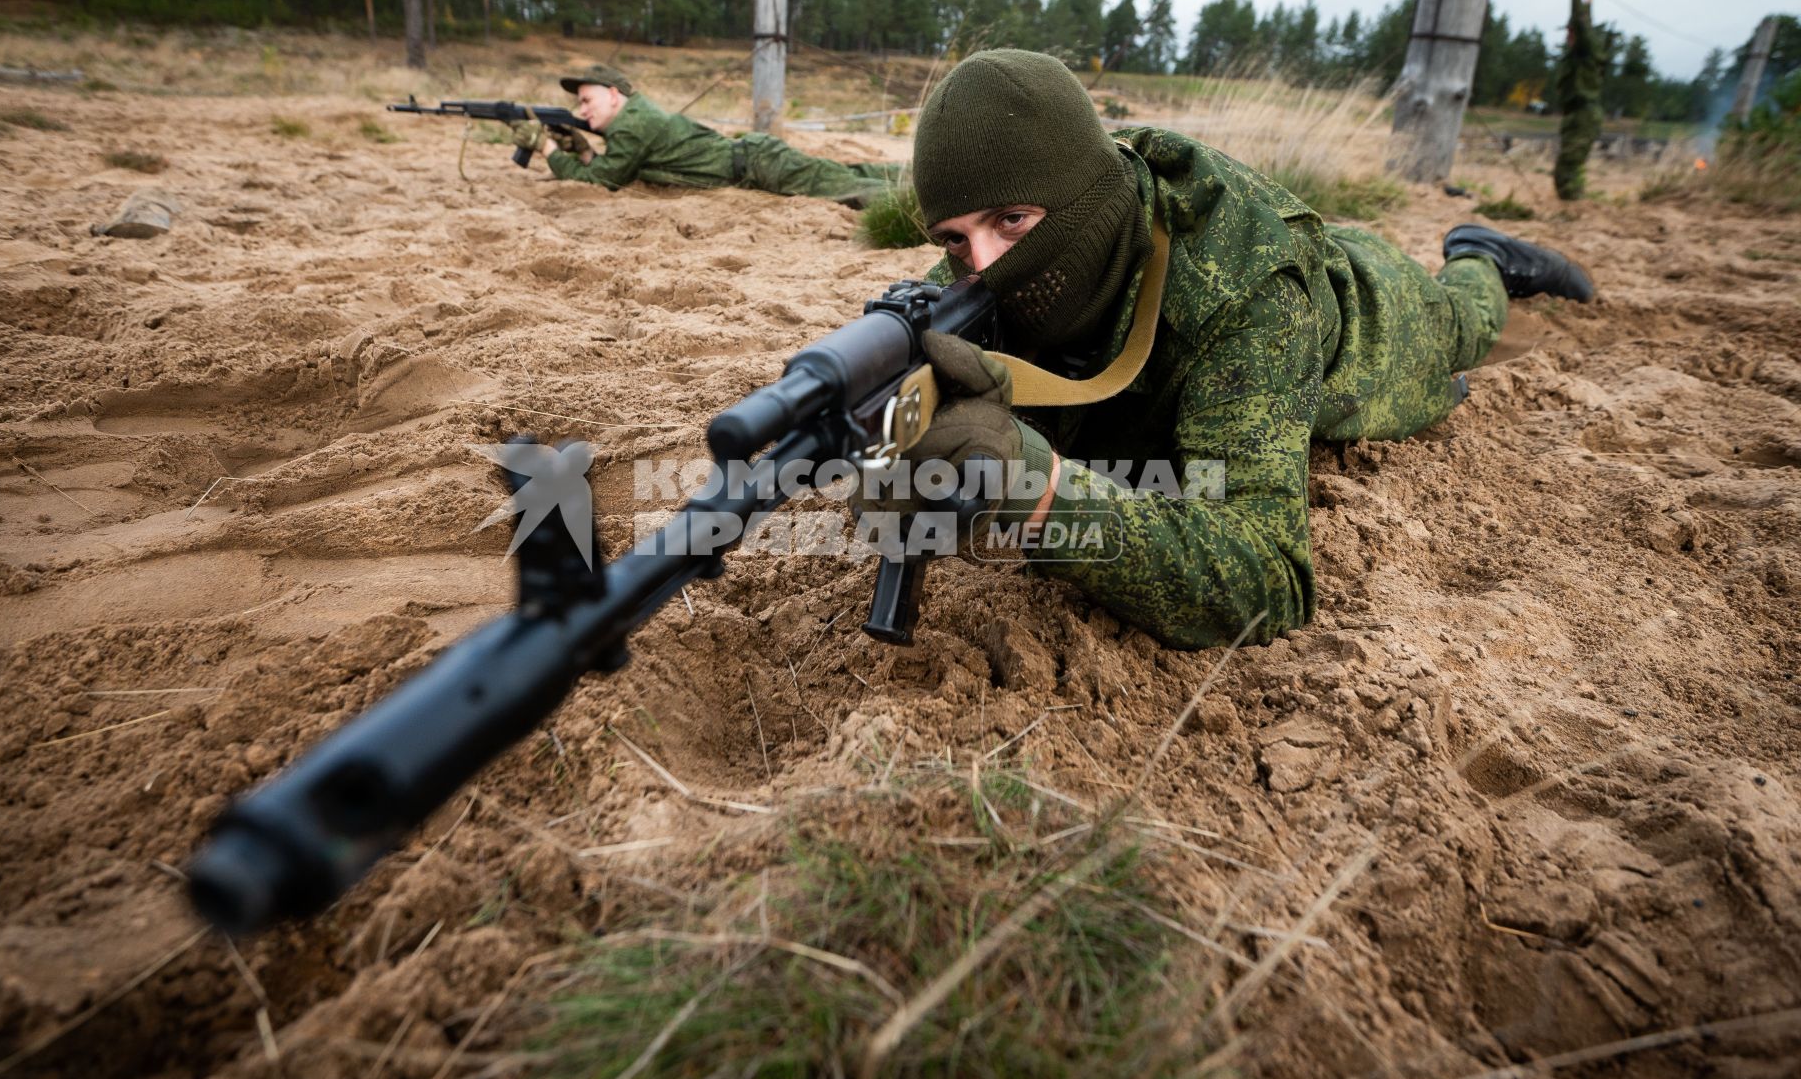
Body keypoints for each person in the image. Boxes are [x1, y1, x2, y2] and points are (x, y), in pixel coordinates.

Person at [863, 49, 1593, 650]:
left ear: (1083, 200)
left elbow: (1269, 578)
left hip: (1372, 314)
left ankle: (1482, 253)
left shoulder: (1248, 291)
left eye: (1012, 220)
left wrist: (1040, 490)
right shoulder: (975, 285)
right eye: (954, 238)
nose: (984, 264)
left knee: (1464, 325)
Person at [541, 64, 905, 206]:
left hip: (759, 165)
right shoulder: (634, 120)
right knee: (848, 174)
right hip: (756, 162)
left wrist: (546, 149)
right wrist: (586, 152)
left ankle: (924, 197)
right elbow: (613, 170)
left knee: (850, 192)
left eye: (587, 100)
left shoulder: (633, 123)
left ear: (614, 95)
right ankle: (916, 174)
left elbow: (605, 181)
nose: (582, 110)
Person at [1553, 0, 1610, 200]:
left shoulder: (1588, 52)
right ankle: (1572, 202)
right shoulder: (1581, 55)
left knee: (1568, 165)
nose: (1568, 36)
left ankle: (1573, 205)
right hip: (1576, 114)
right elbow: (1583, 23)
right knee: (1567, 163)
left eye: (1570, 32)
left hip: (1585, 114)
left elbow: (1583, 24)